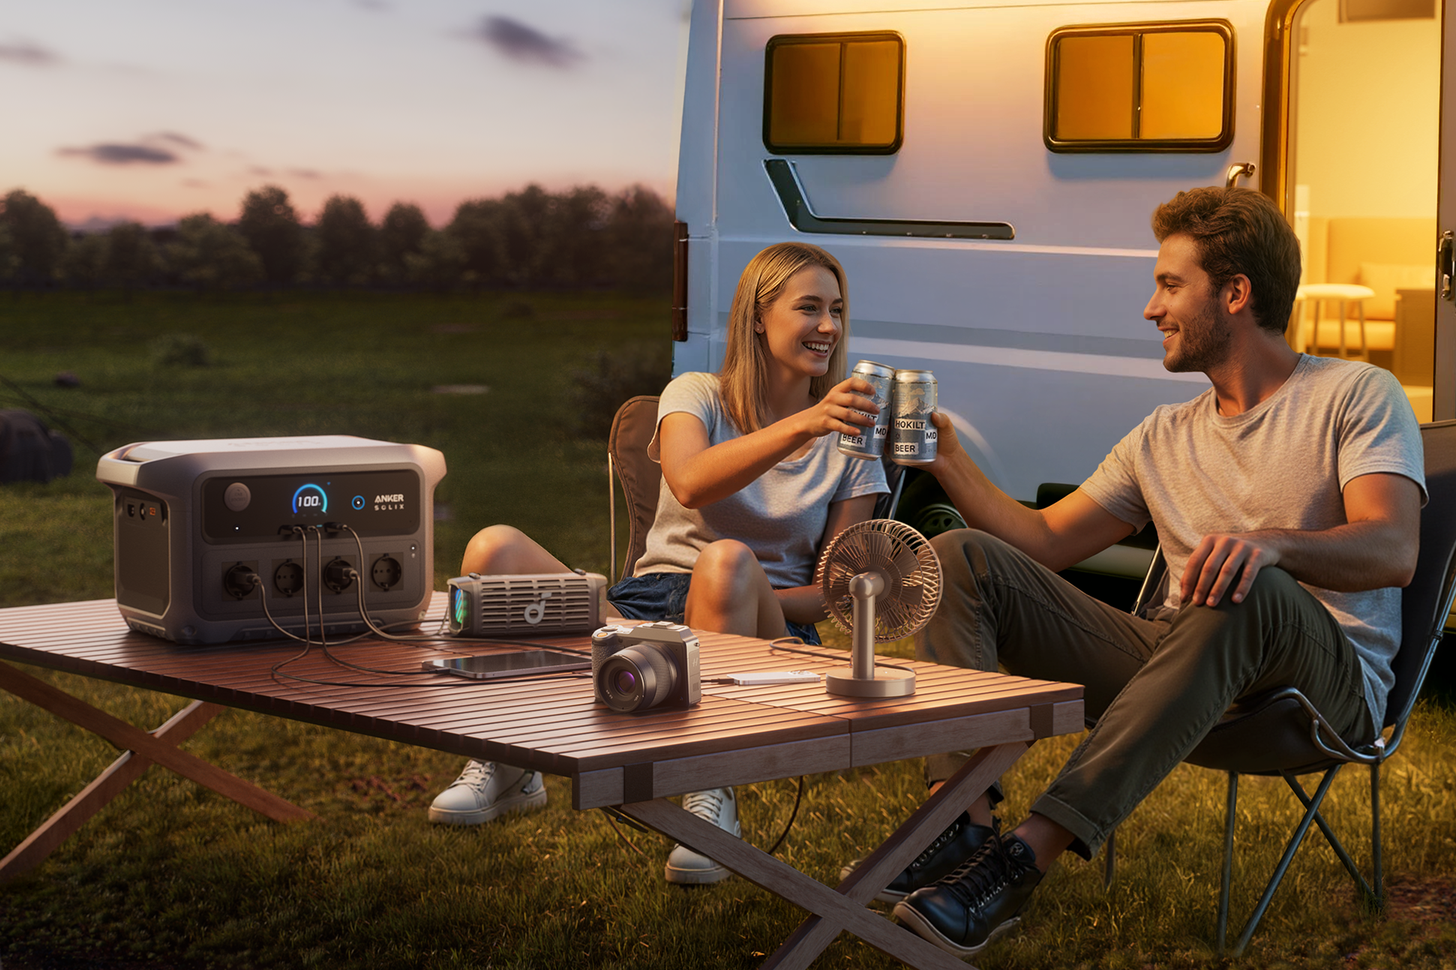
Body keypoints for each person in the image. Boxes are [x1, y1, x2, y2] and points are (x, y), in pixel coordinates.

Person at [881, 187, 1425, 956]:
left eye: (1171, 285)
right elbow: (1038, 543)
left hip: (1319, 695)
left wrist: (1269, 544)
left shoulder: (1354, 395)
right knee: (961, 560)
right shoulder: (1162, 435)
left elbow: (1393, 549)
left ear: (1235, 294)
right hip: (1182, 671)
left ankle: (1017, 864)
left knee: (1246, 582)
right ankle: (958, 824)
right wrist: (950, 459)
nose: (1150, 308)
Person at [425, 241, 891, 884]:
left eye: (835, 310)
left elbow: (836, 594)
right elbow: (693, 480)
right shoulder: (695, 393)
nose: (828, 328)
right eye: (808, 307)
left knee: (725, 563)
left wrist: (726, 594)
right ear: (758, 316)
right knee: (492, 548)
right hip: (649, 604)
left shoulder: (852, 441)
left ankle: (711, 789)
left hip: (764, 627)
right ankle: (509, 759)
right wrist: (804, 423)